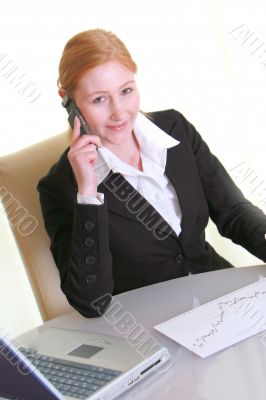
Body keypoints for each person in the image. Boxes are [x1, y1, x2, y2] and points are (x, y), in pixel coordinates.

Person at [37, 28, 266, 318]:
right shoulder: (61, 188)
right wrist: (88, 193)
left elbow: (233, 212)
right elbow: (90, 301)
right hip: (147, 330)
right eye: (99, 100)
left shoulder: (175, 129)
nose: (119, 112)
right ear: (68, 101)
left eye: (126, 91)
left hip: (221, 301)